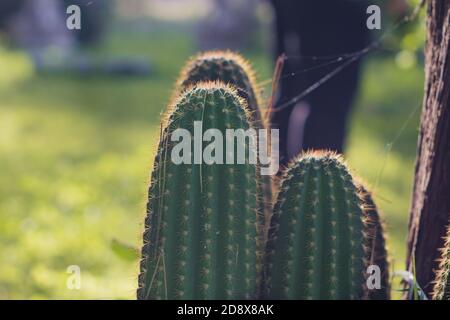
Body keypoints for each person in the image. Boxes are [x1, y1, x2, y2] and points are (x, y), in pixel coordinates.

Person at [269, 0, 407, 167]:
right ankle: (317, 183)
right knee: (327, 101)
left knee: (290, 90)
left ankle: (273, 179)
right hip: (340, 11)